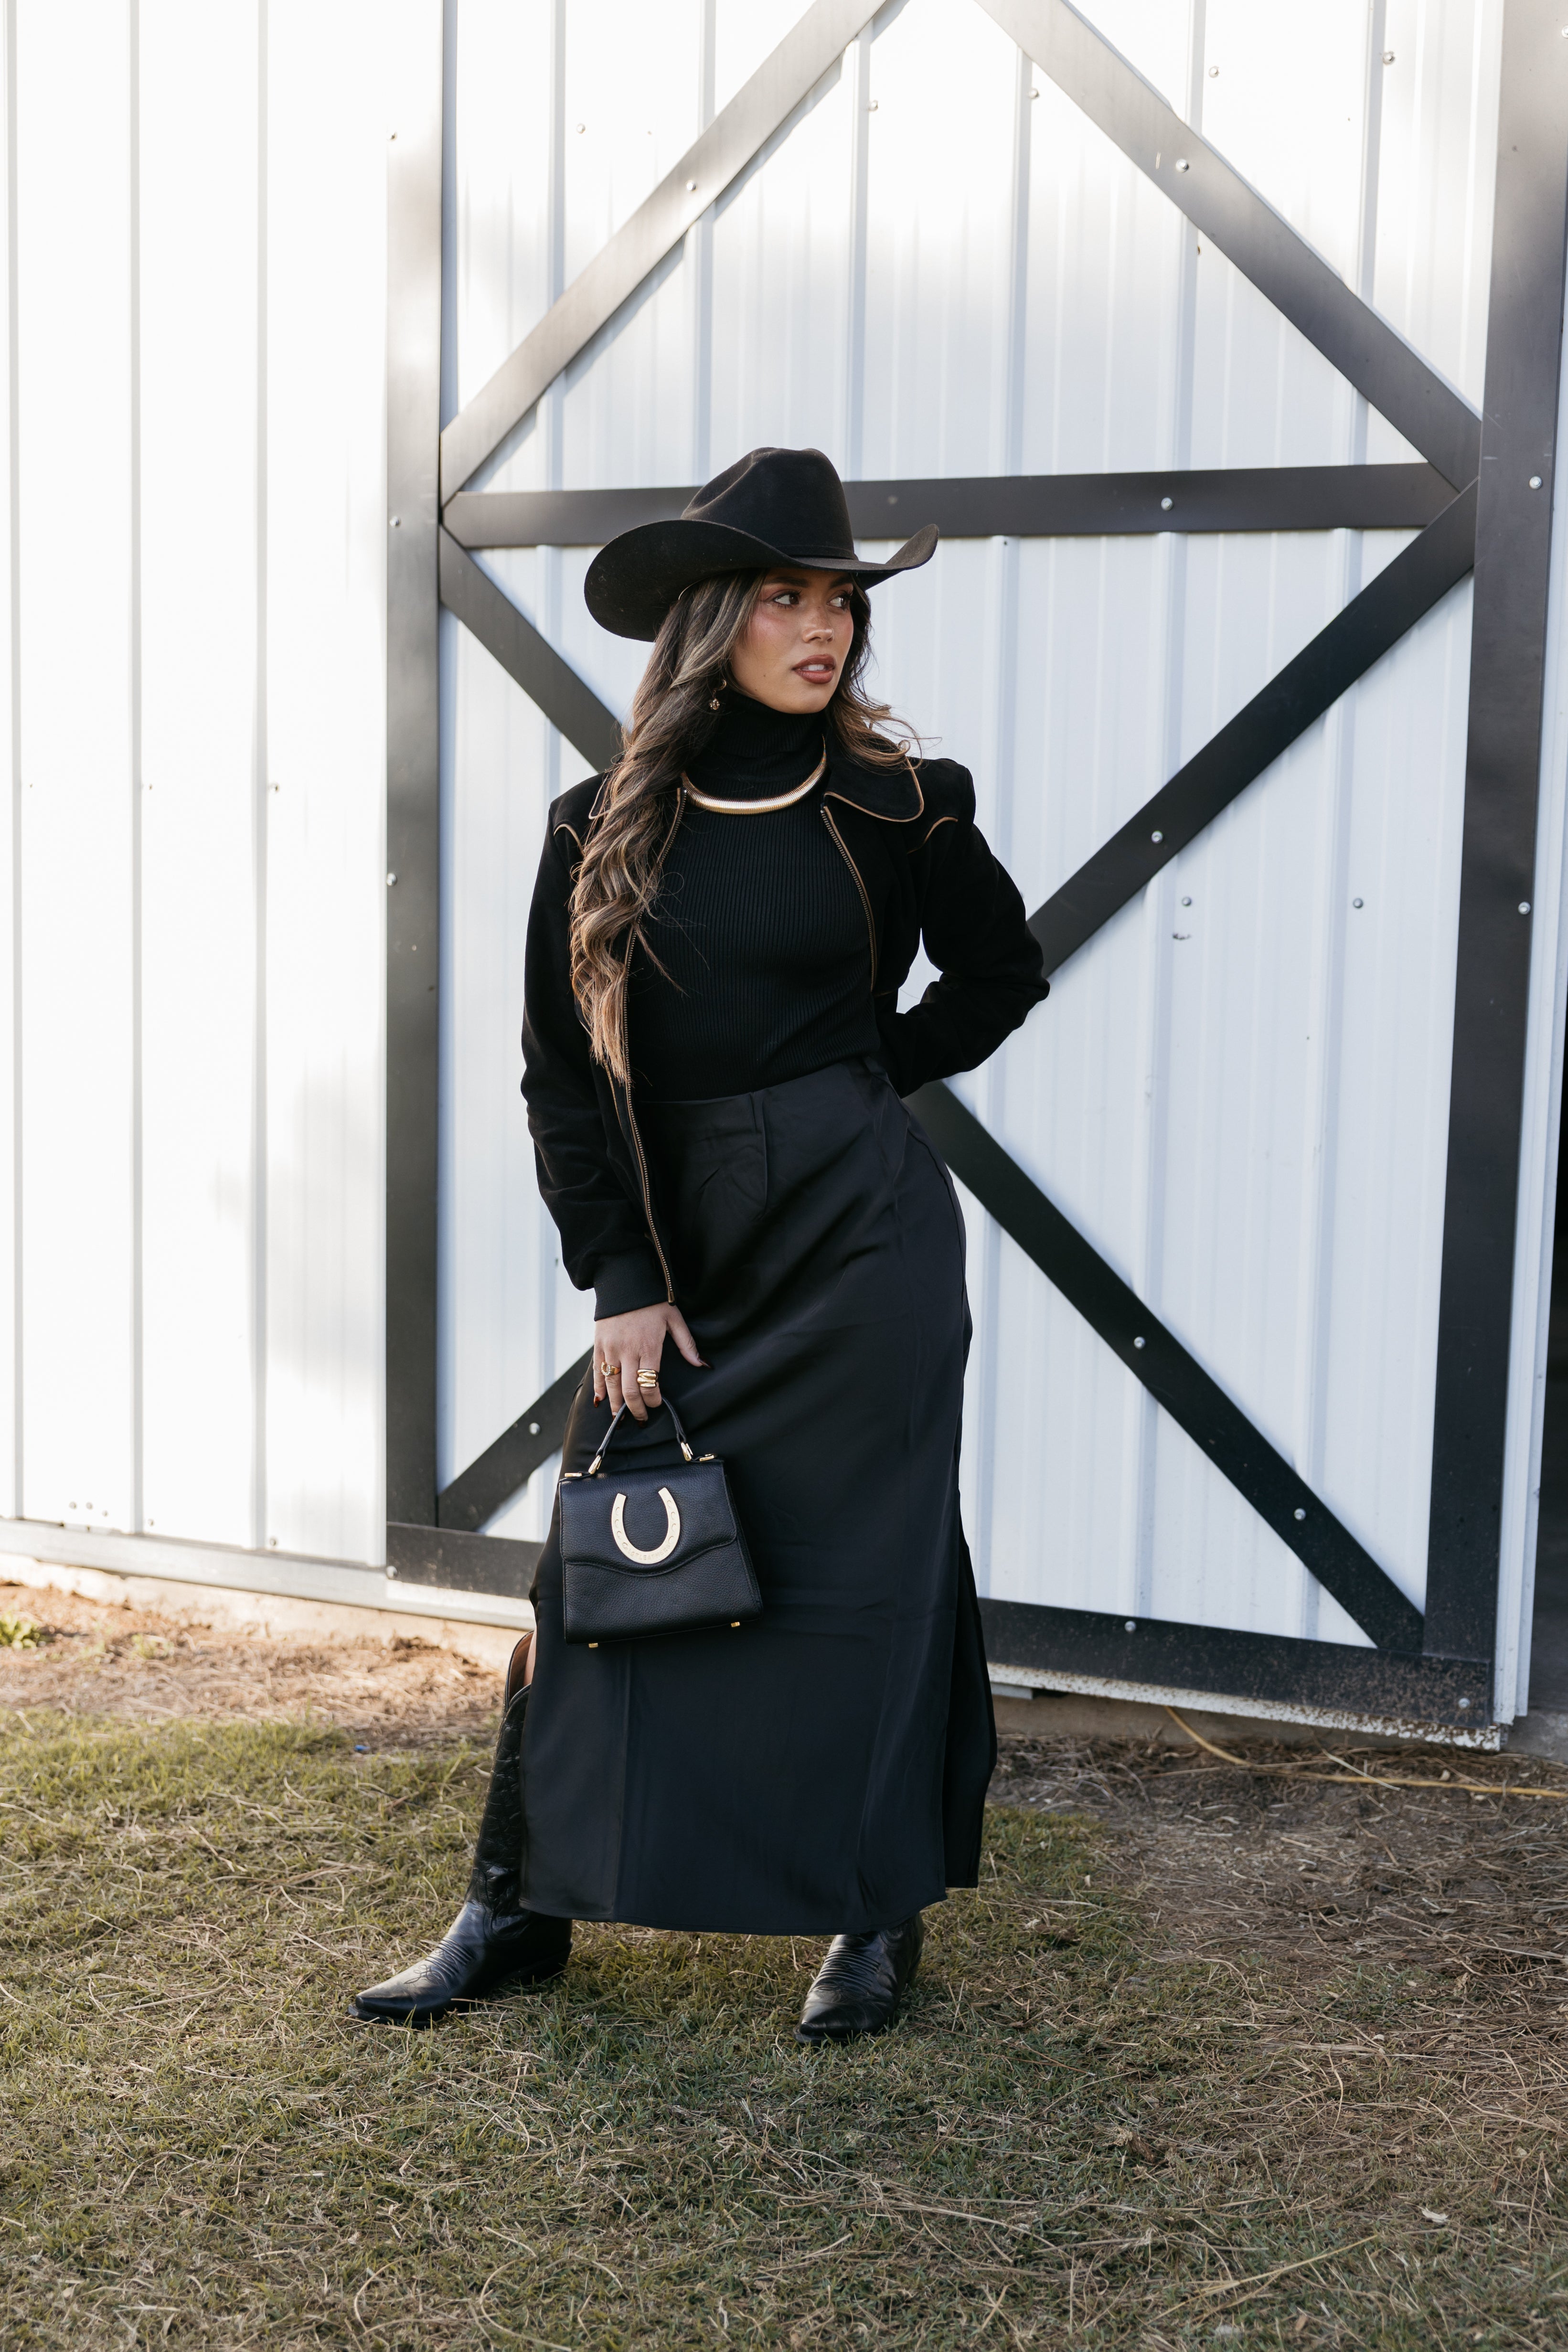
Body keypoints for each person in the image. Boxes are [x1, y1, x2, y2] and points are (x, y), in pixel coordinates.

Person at [354, 447, 1048, 2039]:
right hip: (683, 1244)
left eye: (841, 605)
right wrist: (624, 1280)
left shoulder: (900, 800)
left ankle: (872, 1921)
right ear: (709, 619)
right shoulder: (596, 826)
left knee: (868, 1577)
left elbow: (1001, 972)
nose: (824, 631)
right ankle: (512, 1907)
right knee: (597, 1573)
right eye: (788, 600)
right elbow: (557, 1074)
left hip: (861, 1238)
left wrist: (869, 1075)